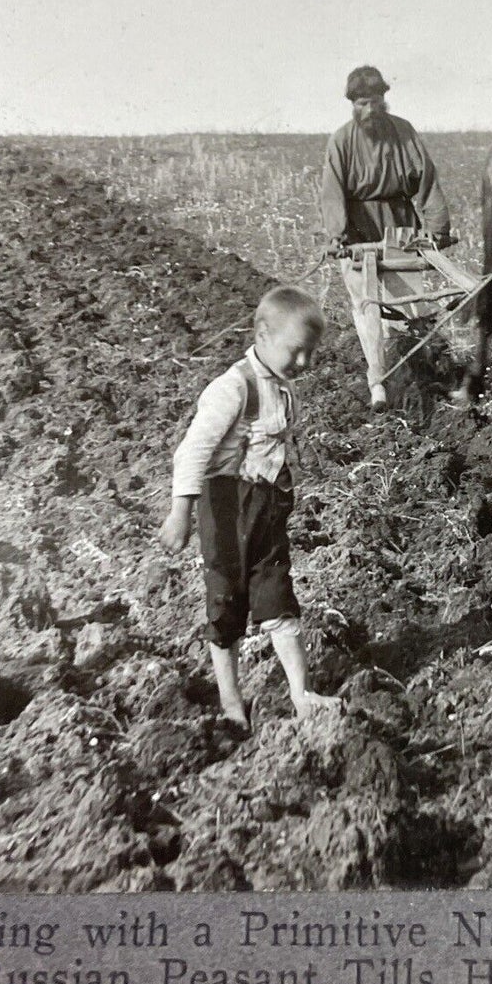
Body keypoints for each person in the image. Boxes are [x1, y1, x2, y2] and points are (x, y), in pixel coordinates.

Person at [160, 286, 339, 731]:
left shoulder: (282, 389)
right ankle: (231, 703)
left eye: (310, 354)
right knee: (226, 605)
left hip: (266, 513)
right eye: (296, 352)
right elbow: (192, 452)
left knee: (278, 598)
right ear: (262, 335)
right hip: (227, 510)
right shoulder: (233, 388)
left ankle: (301, 694)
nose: (304, 364)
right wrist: (180, 512)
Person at [320, 66, 452, 410]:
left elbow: (426, 181)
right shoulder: (342, 140)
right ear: (353, 104)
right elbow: (333, 193)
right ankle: (377, 377)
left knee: (412, 303)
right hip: (358, 228)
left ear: (385, 100)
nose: (371, 110)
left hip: (400, 223)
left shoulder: (403, 132)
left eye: (376, 102)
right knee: (367, 305)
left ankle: (428, 372)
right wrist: (337, 236)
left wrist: (437, 229)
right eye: (363, 103)